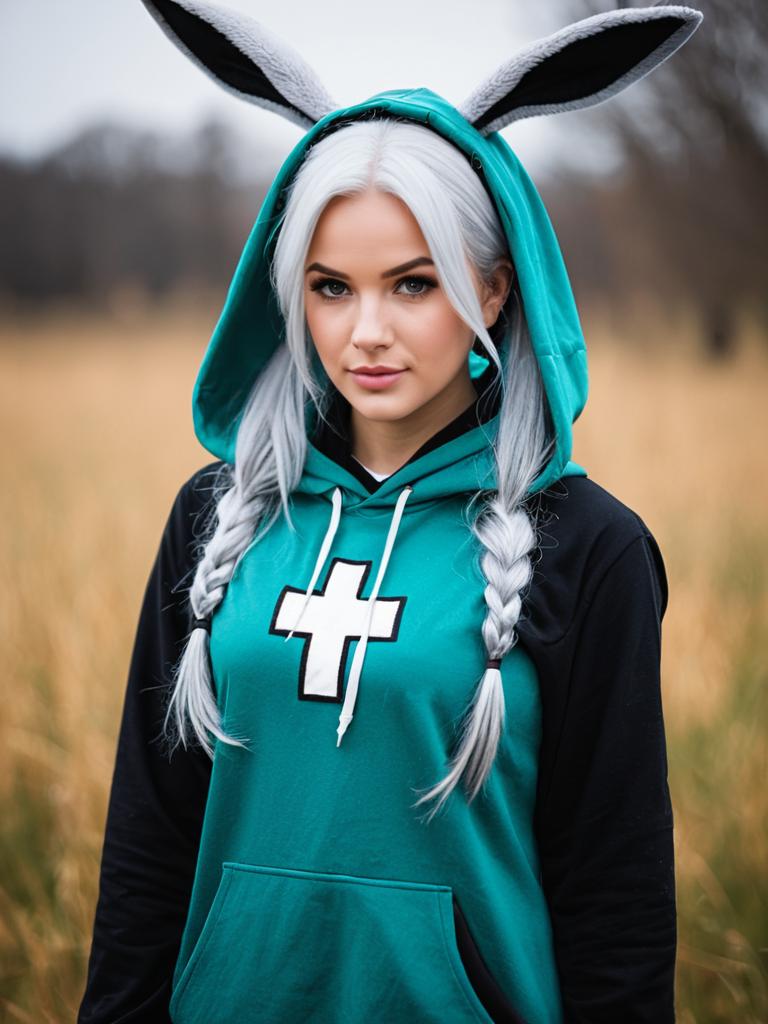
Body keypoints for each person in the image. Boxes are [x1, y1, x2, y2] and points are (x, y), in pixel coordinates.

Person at [78, 2, 703, 1022]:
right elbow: (146, 844)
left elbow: (616, 897)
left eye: (413, 284)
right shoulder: (212, 519)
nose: (366, 331)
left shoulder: (590, 548)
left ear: (493, 291)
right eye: (332, 287)